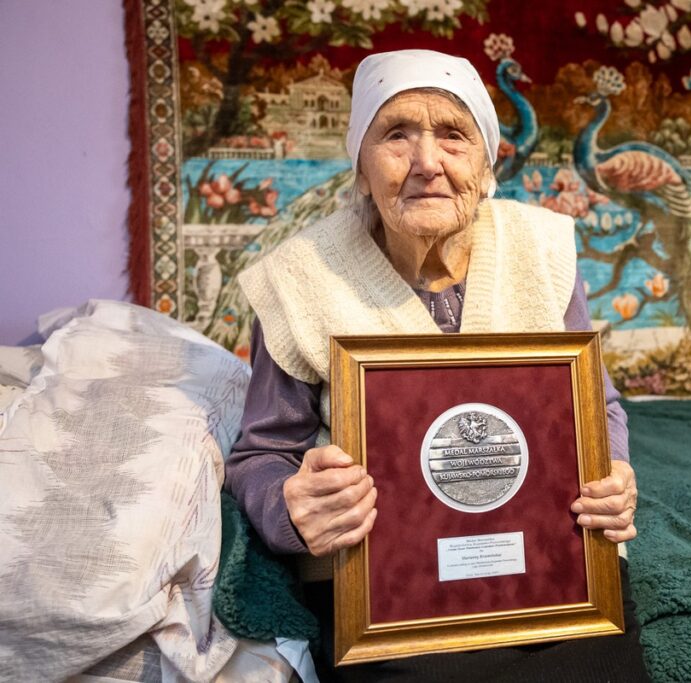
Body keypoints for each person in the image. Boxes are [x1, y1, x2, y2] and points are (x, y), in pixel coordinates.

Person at [226, 49, 648, 681]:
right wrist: (291, 507)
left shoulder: (544, 249)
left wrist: (611, 471)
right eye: (396, 134)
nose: (427, 163)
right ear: (362, 169)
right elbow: (259, 454)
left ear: (485, 167)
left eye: (453, 136)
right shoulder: (299, 279)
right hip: (388, 590)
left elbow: (598, 405)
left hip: (546, 570)